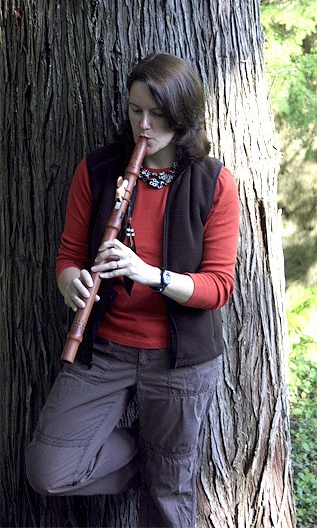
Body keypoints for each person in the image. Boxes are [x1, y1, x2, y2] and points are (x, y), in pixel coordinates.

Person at [26, 52, 240, 527]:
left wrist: (150, 274)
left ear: (182, 115)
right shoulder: (100, 171)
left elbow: (218, 287)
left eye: (158, 113)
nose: (144, 124)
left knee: (170, 497)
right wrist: (70, 282)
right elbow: (67, 256)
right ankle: (145, 455)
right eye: (135, 110)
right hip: (104, 351)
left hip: (179, 361)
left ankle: (162, 464)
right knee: (48, 470)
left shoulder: (214, 183)